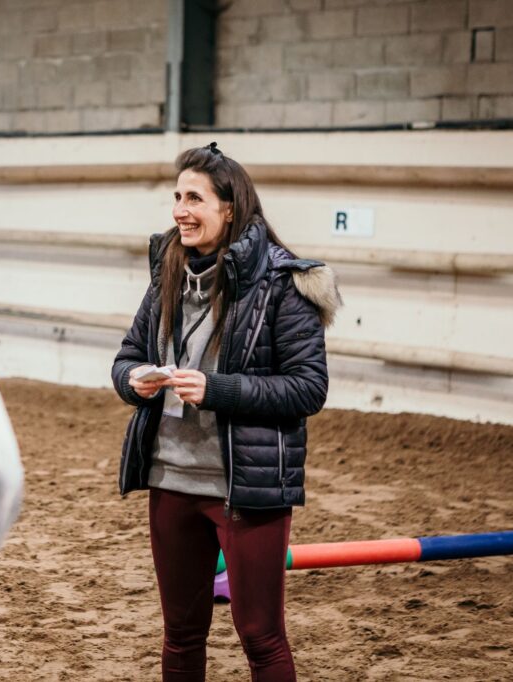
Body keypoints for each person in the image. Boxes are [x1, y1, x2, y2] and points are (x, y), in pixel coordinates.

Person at [111, 142, 341, 682]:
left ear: (230, 207)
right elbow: (126, 357)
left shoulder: (286, 285)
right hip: (170, 481)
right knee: (180, 637)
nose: (179, 210)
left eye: (194, 198)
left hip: (246, 489)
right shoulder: (166, 272)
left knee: (261, 637)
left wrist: (219, 390)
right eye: (176, 197)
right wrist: (133, 380)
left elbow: (309, 388)